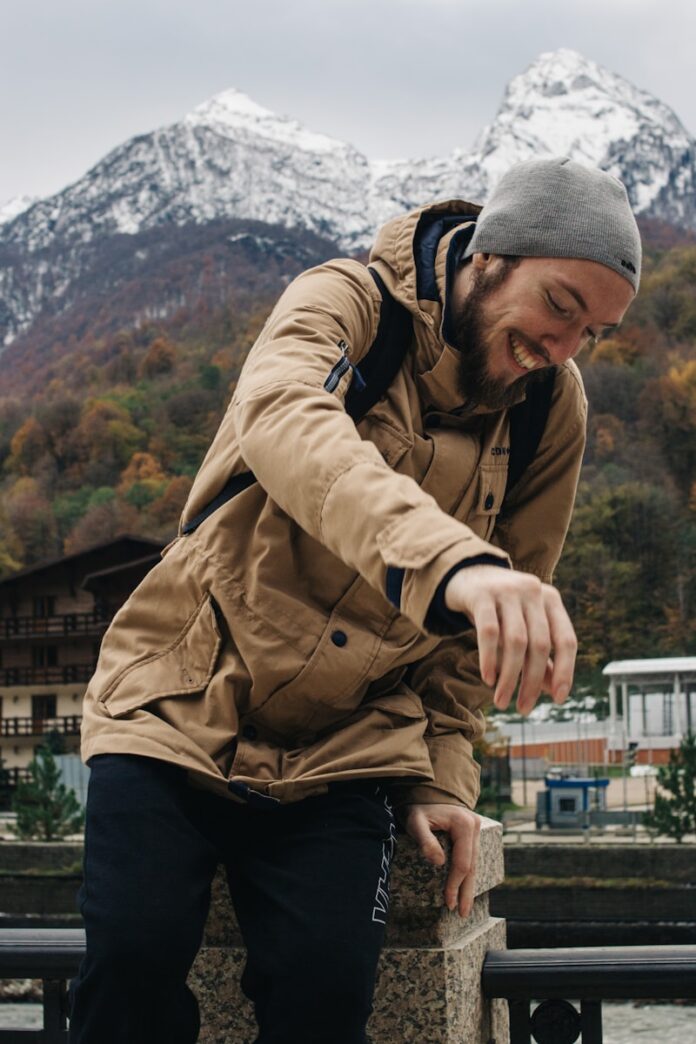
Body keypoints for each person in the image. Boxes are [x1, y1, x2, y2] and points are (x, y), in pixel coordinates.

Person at [68, 157, 640, 1043]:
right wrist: (453, 564)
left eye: (591, 332)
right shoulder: (344, 301)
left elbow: (479, 640)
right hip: (174, 703)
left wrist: (441, 776)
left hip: (347, 745)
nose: (561, 347)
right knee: (133, 967)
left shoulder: (549, 409)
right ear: (489, 256)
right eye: (560, 305)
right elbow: (290, 425)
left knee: (328, 1000)